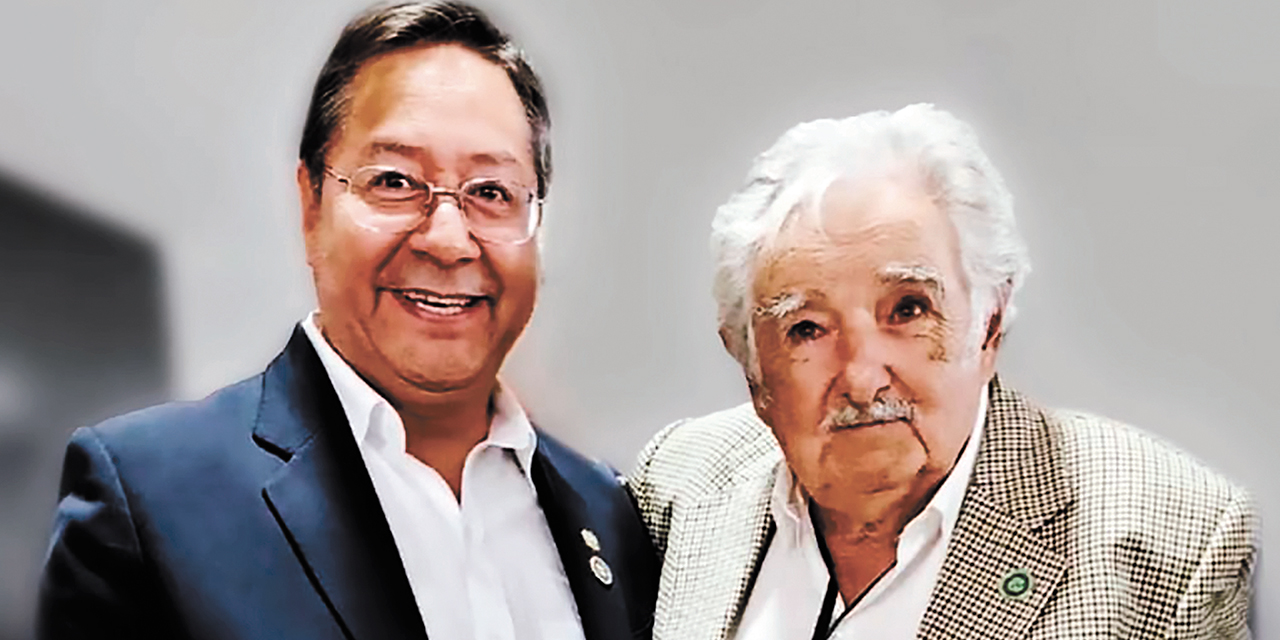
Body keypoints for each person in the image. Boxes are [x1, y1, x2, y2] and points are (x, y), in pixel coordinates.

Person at [37, 3, 658, 639]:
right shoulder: (148, 499)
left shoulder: (610, 514)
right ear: (311, 203)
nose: (448, 240)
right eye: (394, 181)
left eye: (492, 192)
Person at [628, 104, 1257, 639]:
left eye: (908, 310)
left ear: (989, 325)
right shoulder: (679, 487)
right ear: (750, 366)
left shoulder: (1171, 544)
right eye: (807, 329)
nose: (862, 377)